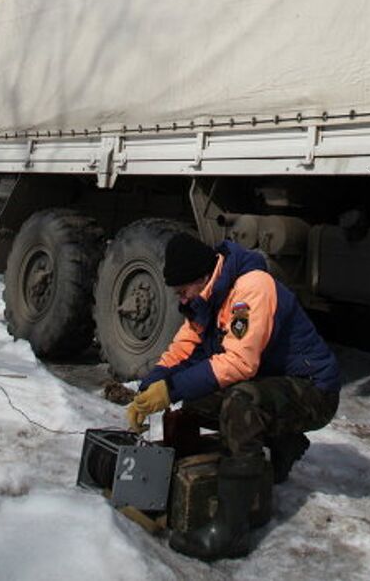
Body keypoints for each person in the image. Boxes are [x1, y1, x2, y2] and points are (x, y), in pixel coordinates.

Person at [127, 231, 341, 561]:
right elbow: (182, 350)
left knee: (241, 404)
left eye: (183, 291)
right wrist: (149, 389)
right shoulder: (205, 297)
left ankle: (231, 532)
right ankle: (281, 444)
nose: (181, 300)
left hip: (313, 390)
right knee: (198, 399)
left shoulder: (251, 288)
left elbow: (240, 362)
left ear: (202, 277)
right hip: (275, 384)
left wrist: (170, 390)